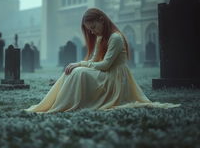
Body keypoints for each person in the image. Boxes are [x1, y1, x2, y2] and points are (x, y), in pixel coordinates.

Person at [24, 8, 180, 113]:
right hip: (105, 74)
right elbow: (93, 60)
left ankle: (65, 104)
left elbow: (105, 65)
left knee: (79, 72)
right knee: (73, 71)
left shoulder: (116, 38)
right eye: (89, 29)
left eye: (93, 27)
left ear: (101, 20)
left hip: (116, 79)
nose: (92, 31)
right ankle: (49, 105)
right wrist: (77, 66)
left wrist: (80, 64)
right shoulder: (100, 38)